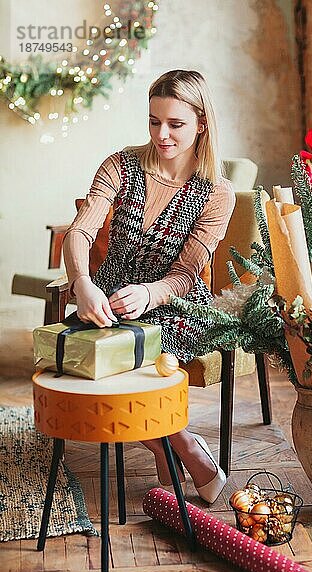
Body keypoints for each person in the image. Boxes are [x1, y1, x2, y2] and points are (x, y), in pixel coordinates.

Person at [62, 69, 236, 503]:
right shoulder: (120, 165)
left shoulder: (218, 192)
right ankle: (180, 445)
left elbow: (185, 274)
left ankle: (178, 448)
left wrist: (149, 293)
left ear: (202, 124)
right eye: (154, 121)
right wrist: (82, 283)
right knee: (75, 360)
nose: (162, 134)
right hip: (107, 296)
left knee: (137, 362)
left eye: (176, 124)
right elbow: (79, 233)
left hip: (173, 306)